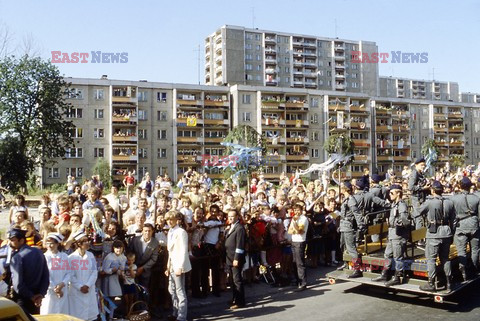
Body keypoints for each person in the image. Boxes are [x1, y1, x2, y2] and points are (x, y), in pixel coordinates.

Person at [417, 181, 455, 292]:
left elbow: (418, 212)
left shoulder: (430, 202)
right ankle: (449, 283)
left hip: (433, 232)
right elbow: (454, 220)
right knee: (445, 258)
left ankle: (431, 283)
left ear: (433, 190)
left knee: (431, 259)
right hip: (446, 232)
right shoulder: (449, 202)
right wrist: (451, 232)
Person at [371, 184, 409, 286]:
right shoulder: (394, 204)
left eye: (392, 193)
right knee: (387, 254)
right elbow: (384, 204)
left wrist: (396, 223)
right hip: (392, 234)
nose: (390, 195)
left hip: (398, 234)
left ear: (398, 193)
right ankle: (384, 273)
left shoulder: (401, 205)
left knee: (398, 257)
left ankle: (397, 276)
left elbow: (405, 220)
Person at [8, 228, 49, 317]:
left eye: (13, 240)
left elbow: (18, 285)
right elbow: (46, 276)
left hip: (23, 299)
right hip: (36, 298)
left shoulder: (17, 257)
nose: (10, 243)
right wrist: (40, 294)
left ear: (22, 240)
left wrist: (31, 296)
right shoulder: (39, 252)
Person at [449, 177, 480, 281]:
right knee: (475, 249)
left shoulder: (453, 198)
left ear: (460, 186)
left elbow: (451, 215)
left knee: (461, 250)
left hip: (460, 225)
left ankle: (463, 270)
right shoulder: (476, 198)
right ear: (470, 186)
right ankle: (474, 269)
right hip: (474, 224)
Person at [165, 211, 191, 321]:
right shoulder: (170, 231)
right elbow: (170, 251)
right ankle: (175, 312)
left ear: (177, 220)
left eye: (172, 219)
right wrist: (168, 266)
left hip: (179, 265)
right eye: (168, 220)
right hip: (172, 265)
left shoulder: (181, 232)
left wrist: (180, 267)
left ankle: (182, 316)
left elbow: (184, 251)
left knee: (180, 291)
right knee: (171, 290)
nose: (170, 221)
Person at [68, 230, 99, 321]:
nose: (87, 243)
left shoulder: (91, 256)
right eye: (85, 241)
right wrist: (80, 287)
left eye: (87, 240)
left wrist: (87, 285)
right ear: (78, 244)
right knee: (77, 317)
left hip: (89, 290)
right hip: (76, 293)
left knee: (90, 317)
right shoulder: (71, 258)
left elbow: (94, 272)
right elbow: (70, 275)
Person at [337, 182, 363, 278]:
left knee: (351, 248)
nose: (340, 189)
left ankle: (357, 269)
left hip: (348, 226)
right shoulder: (345, 199)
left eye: (342, 187)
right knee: (342, 245)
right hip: (343, 226)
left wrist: (361, 225)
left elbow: (357, 213)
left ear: (345, 189)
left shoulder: (351, 200)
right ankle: (346, 262)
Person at [40, 233, 70, 315]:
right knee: (48, 312)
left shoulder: (64, 257)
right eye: (48, 243)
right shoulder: (44, 257)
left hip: (63, 290)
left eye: (52, 243)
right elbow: (45, 275)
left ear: (57, 244)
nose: (50, 245)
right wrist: (55, 288)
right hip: (49, 291)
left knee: (62, 313)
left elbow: (68, 273)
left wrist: (62, 284)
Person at [225, 209, 246, 309]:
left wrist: (236, 258)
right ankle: (234, 298)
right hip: (229, 257)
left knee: (237, 280)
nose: (230, 218)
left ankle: (240, 301)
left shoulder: (240, 228)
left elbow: (240, 245)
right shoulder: (230, 227)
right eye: (229, 216)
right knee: (232, 280)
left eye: (232, 216)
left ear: (237, 217)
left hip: (235, 258)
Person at [128, 223, 159, 289]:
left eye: (149, 231)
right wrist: (132, 266)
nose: (147, 233)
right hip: (132, 269)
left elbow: (154, 259)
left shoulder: (155, 242)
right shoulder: (135, 240)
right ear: (142, 231)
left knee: (144, 290)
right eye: (145, 231)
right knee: (133, 290)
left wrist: (142, 268)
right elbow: (129, 253)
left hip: (145, 270)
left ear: (152, 231)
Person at [288, 203, 309, 290]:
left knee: (300, 263)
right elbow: (290, 231)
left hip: (300, 242)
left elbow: (300, 231)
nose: (296, 212)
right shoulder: (294, 219)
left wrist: (295, 223)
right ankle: (297, 280)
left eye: (298, 210)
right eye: (295, 210)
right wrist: (294, 225)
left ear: (301, 210)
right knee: (294, 262)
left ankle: (303, 283)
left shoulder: (303, 219)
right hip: (294, 241)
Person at [409, 158, 430, 229]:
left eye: (424, 165)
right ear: (416, 165)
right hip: (417, 199)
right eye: (421, 165)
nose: (423, 166)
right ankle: (419, 238)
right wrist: (423, 188)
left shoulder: (421, 174)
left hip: (422, 198)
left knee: (423, 218)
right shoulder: (414, 173)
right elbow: (411, 187)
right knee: (419, 218)